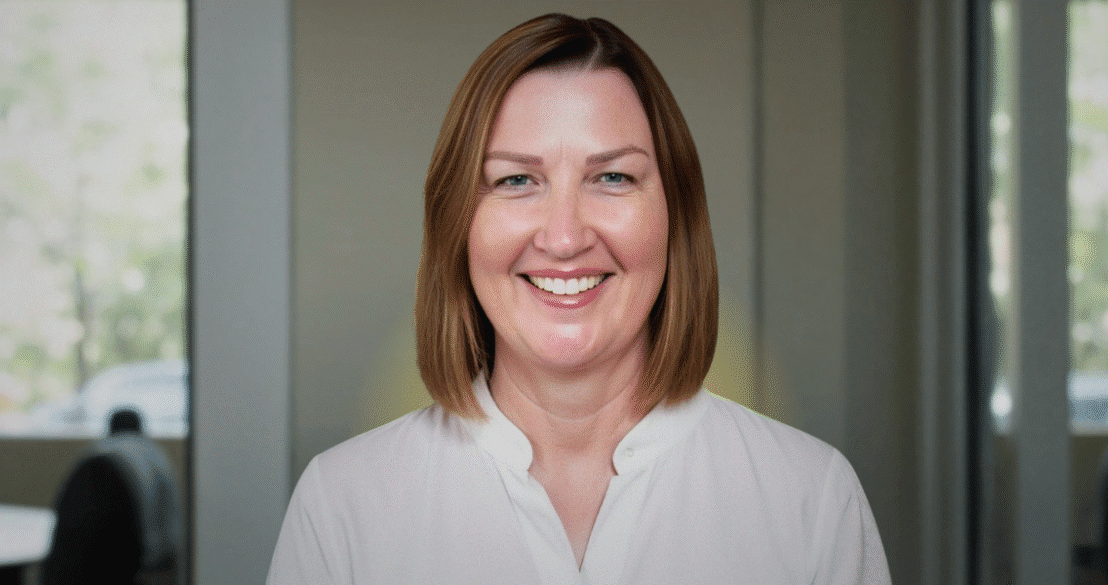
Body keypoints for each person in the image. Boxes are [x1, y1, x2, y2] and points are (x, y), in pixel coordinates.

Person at [268, 13, 890, 584]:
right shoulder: (342, 508)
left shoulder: (810, 502)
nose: (564, 238)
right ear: (457, 223)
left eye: (612, 177)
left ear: (675, 217)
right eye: (517, 179)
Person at [42, 408, 182, 585]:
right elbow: (170, 522)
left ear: (110, 428)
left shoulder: (94, 451)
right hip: (134, 549)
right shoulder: (157, 456)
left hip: (81, 545)